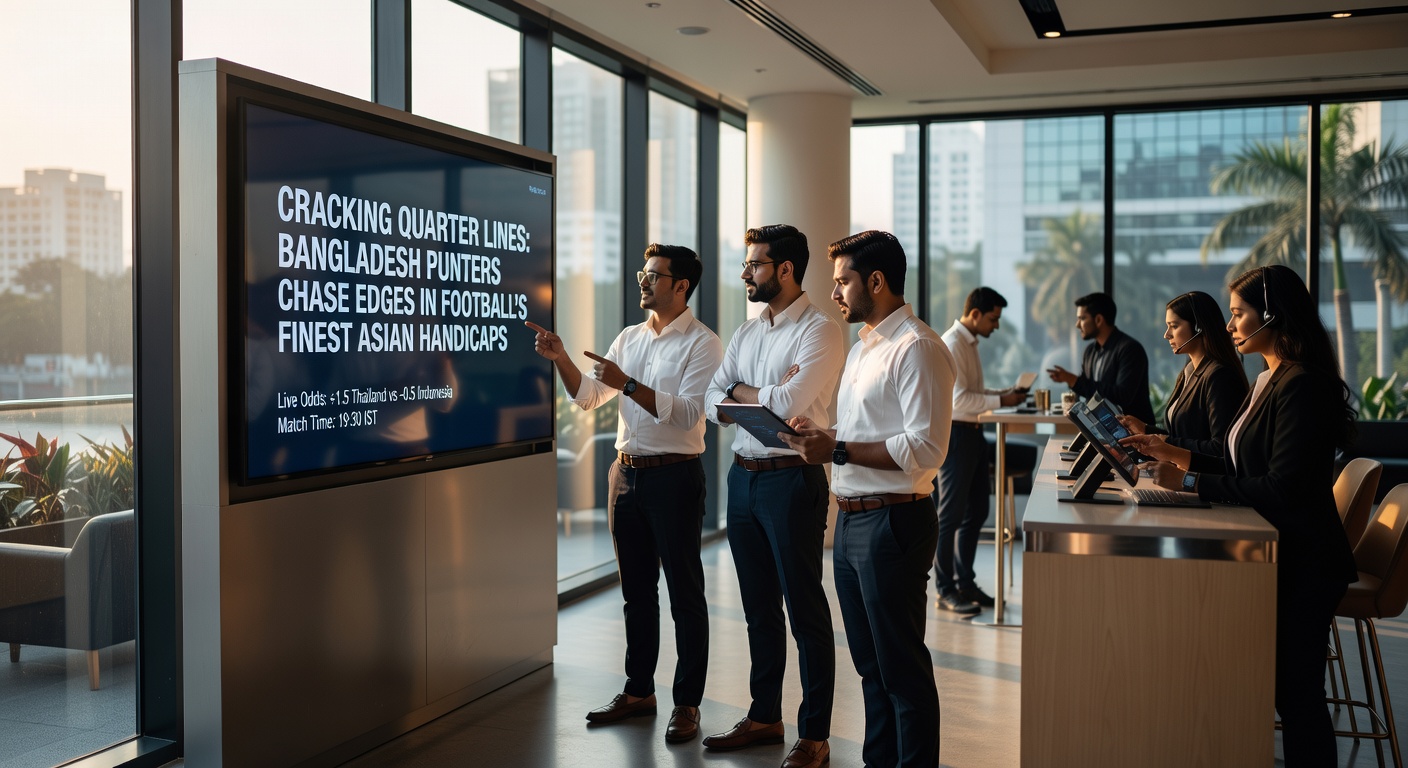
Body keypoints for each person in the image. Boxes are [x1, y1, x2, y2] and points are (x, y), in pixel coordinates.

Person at [1123, 265, 1356, 767]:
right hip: (1275, 550)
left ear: (1272, 315)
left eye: (1238, 314)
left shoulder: (1302, 385)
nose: (1229, 326)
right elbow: (1237, 461)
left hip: (1303, 562)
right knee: (1277, 690)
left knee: (1296, 698)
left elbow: (1282, 487)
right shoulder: (1269, 378)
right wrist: (1176, 458)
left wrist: (1187, 481)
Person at [525, 244, 723, 745]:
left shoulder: (703, 344)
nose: (644, 281)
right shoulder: (629, 337)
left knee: (685, 594)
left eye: (654, 275)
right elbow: (589, 397)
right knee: (636, 592)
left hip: (676, 477)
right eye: (643, 272)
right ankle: (639, 692)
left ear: (682, 286)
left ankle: (687, 703)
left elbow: (689, 415)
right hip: (626, 476)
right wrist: (562, 358)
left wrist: (630, 385)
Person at [782, 230, 955, 768]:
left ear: (875, 281)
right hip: (853, 523)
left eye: (843, 282)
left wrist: (835, 447)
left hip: (894, 522)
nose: (834, 294)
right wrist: (819, 433)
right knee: (871, 668)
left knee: (901, 668)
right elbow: (859, 437)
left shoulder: (919, 348)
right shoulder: (863, 349)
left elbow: (925, 449)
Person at [703, 225, 844, 768]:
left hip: (792, 480)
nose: (745, 274)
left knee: (805, 610)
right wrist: (750, 395)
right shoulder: (746, 331)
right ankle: (765, 716)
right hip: (743, 478)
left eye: (755, 265)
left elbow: (788, 405)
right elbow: (712, 400)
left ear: (785, 269)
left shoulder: (821, 330)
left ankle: (815, 735)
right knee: (759, 609)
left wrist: (742, 393)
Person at [934, 287, 1025, 615]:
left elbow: (972, 392)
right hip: (957, 435)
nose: (996, 326)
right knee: (950, 516)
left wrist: (1003, 394)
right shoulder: (954, 344)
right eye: (993, 318)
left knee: (976, 512)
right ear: (975, 314)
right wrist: (1002, 401)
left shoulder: (969, 343)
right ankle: (945, 589)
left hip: (974, 435)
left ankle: (966, 583)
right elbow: (959, 400)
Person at [1114, 291, 1248, 464]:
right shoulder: (1189, 372)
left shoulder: (1219, 376)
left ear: (1199, 327)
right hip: (1176, 474)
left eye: (1174, 326)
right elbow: (1184, 435)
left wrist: (1166, 443)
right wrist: (1146, 429)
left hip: (1198, 482)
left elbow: (1221, 447)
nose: (1167, 334)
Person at [1047, 291, 1155, 426]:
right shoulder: (1090, 351)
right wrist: (1071, 381)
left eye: (1082, 318)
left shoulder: (1130, 349)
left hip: (1134, 435)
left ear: (1098, 320)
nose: (1077, 325)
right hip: (1101, 431)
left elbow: (1122, 396)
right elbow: (1088, 391)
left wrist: (1073, 380)